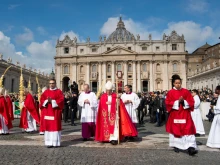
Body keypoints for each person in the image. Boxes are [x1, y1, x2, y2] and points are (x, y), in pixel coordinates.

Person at [165, 74, 197, 156]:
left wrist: (183, 102)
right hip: (175, 114)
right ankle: (177, 145)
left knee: (188, 129)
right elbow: (167, 103)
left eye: (179, 83)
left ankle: (191, 147)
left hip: (185, 114)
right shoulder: (170, 92)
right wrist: (177, 102)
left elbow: (191, 102)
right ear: (173, 84)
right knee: (176, 130)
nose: (178, 84)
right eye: (176, 83)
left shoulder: (186, 91)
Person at [40, 79, 64, 148]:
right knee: (48, 127)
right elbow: (41, 100)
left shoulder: (59, 92)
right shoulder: (46, 92)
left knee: (55, 127)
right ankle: (49, 142)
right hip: (47, 112)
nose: (51, 84)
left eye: (53, 83)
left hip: (55, 112)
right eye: (50, 83)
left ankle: (55, 143)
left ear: (55, 83)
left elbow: (61, 101)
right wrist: (46, 101)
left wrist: (52, 101)